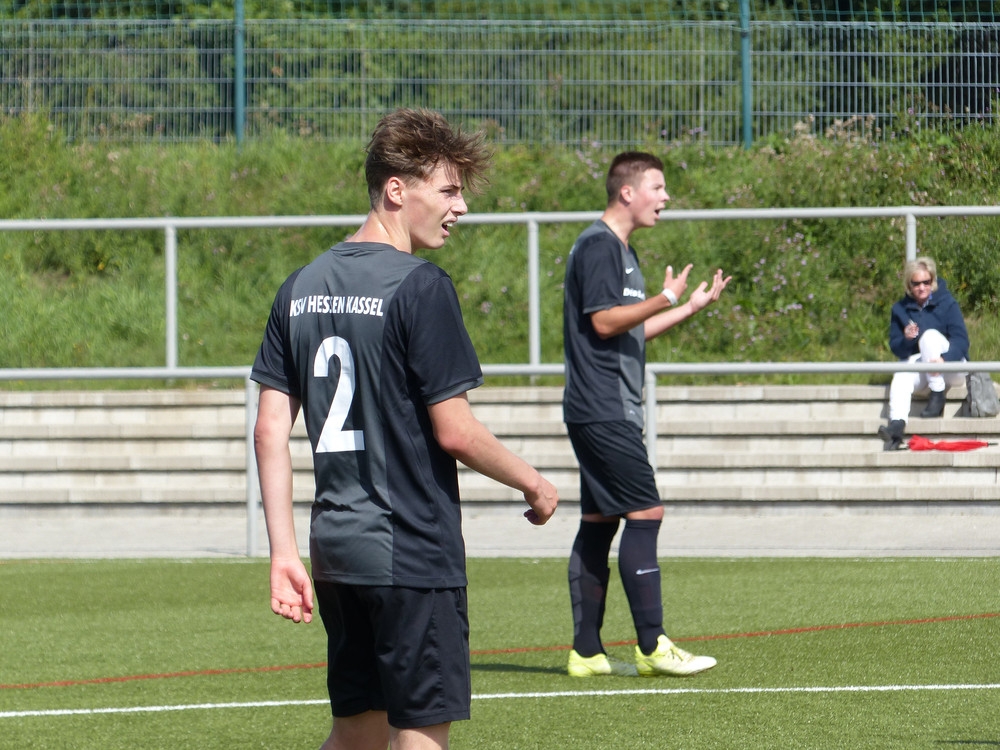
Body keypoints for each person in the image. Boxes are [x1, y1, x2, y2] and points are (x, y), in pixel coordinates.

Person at [251, 108, 558, 750]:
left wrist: (283, 552)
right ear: (397, 189)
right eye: (448, 190)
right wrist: (534, 482)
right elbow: (456, 432)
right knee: (418, 733)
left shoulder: (299, 286)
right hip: (411, 549)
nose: (461, 207)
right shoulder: (420, 287)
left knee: (356, 733)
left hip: (337, 551)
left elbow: (270, 428)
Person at [562, 151, 730, 678]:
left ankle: (586, 653)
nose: (666, 197)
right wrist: (663, 297)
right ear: (627, 192)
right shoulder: (599, 246)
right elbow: (604, 321)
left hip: (603, 407)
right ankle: (653, 645)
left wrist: (686, 307)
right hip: (603, 406)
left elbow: (626, 329)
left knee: (599, 522)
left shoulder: (620, 250)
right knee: (646, 512)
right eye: (657, 187)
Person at [877, 256, 969, 451]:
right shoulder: (900, 309)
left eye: (926, 282)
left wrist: (944, 359)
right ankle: (897, 425)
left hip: (953, 368)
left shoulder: (947, 303)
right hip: (926, 368)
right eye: (916, 283)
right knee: (901, 372)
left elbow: (961, 341)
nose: (922, 288)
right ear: (909, 285)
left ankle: (938, 394)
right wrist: (906, 339)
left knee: (928, 337)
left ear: (933, 281)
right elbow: (897, 348)